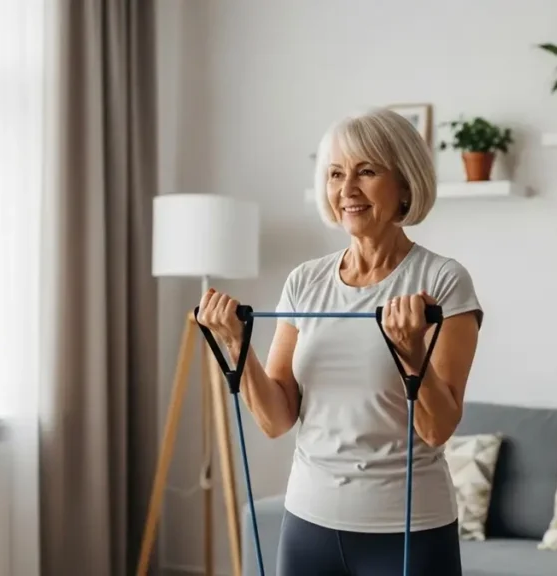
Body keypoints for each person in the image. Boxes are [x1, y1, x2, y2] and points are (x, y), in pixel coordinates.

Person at [195, 107, 483, 576]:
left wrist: (411, 355)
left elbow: (437, 429)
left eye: (366, 171)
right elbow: (276, 418)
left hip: (410, 530)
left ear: (405, 184)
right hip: (309, 523)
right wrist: (237, 347)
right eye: (335, 174)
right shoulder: (305, 282)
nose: (346, 189)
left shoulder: (443, 282)